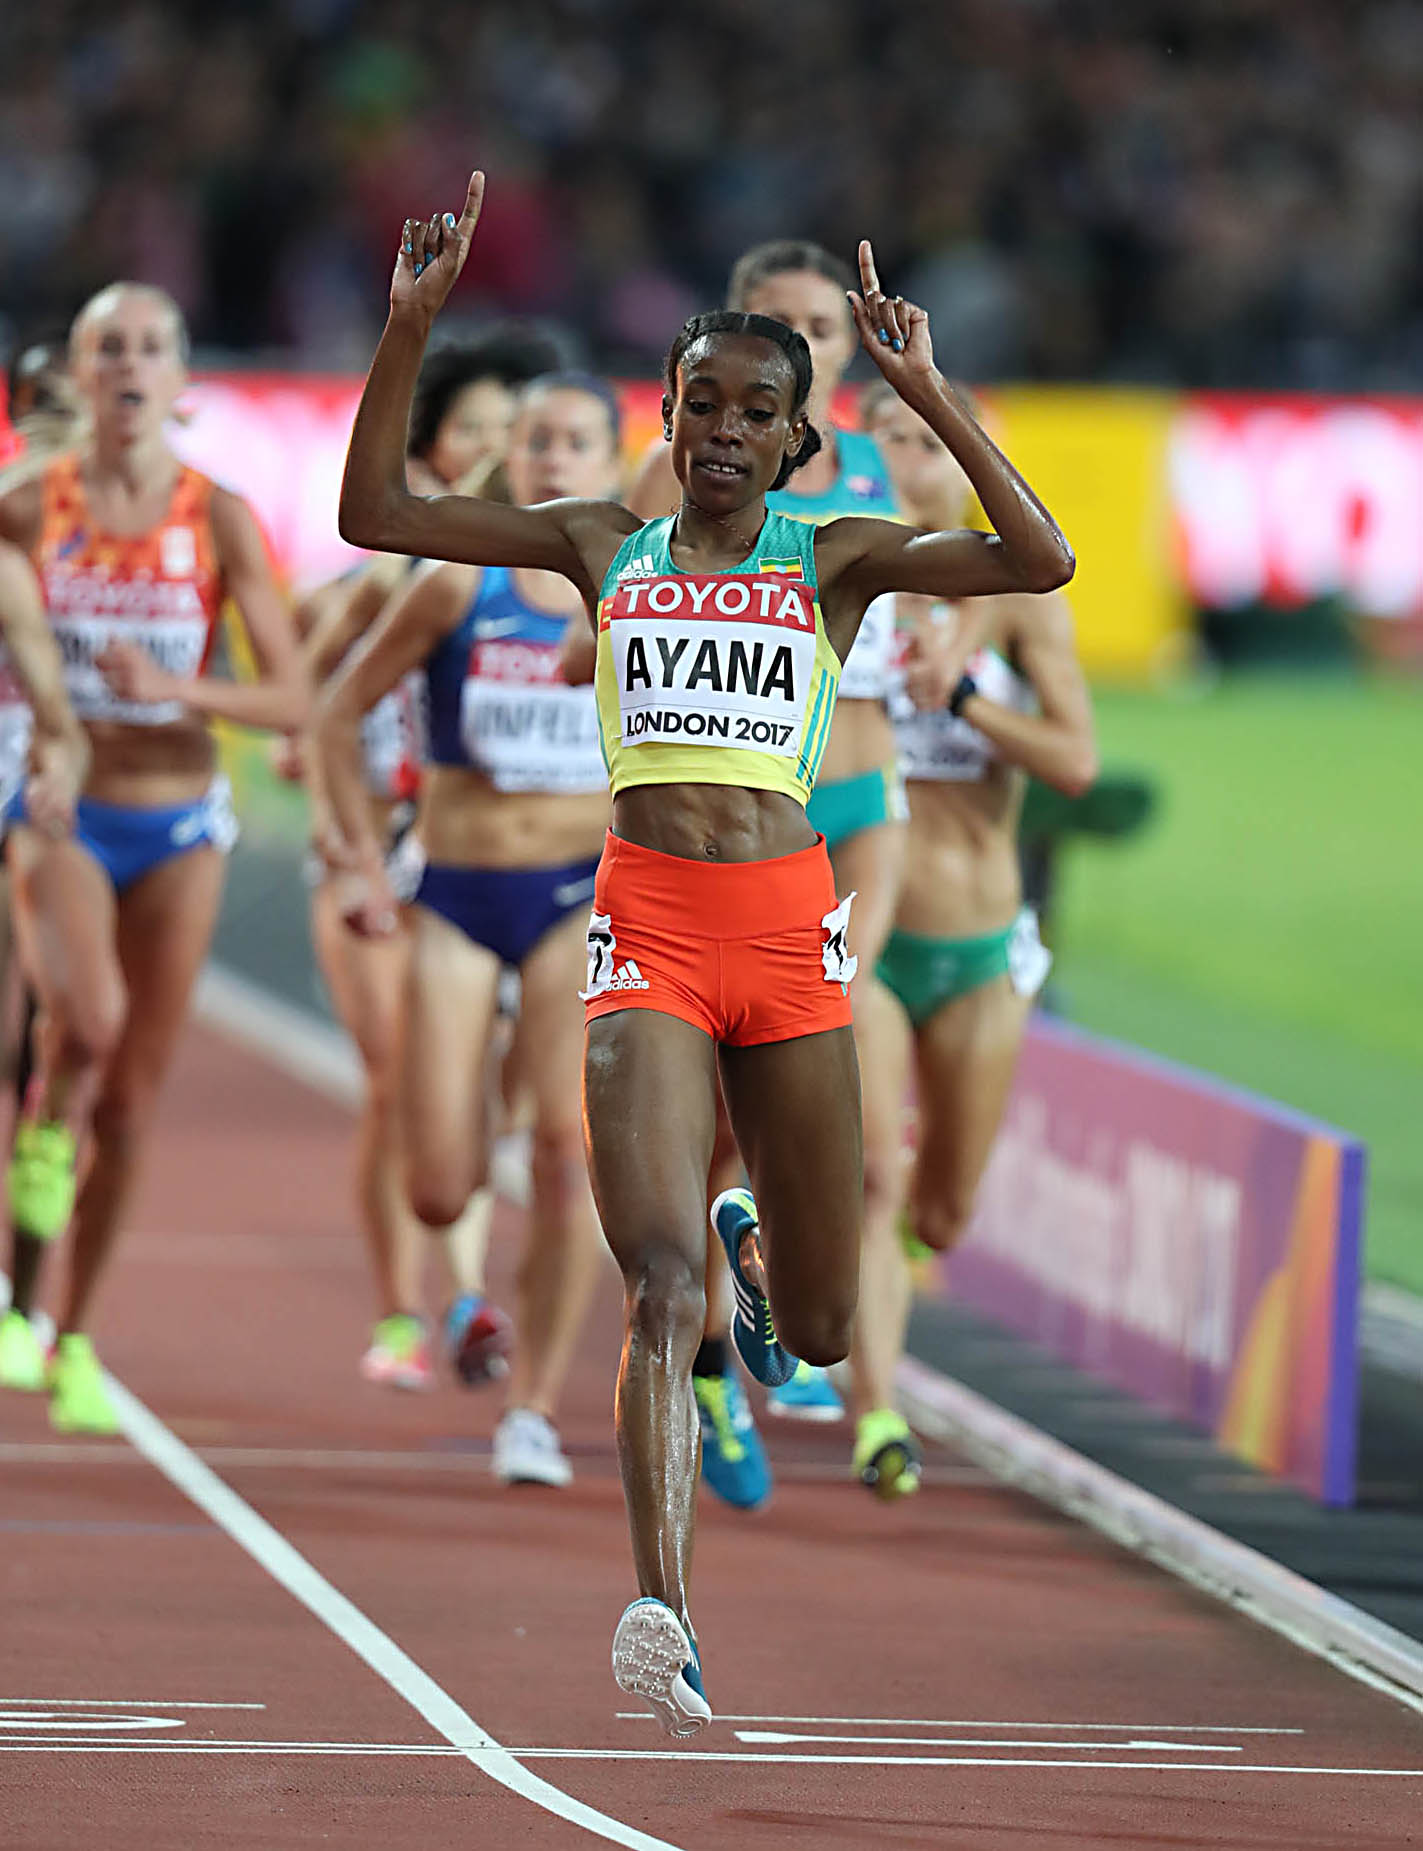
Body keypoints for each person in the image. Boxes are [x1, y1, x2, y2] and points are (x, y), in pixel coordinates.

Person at [337, 171, 1073, 1734]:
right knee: (655, 1285)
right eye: (701, 403)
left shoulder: (837, 552)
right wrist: (408, 330)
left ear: (797, 438)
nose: (724, 429)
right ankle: (660, 1609)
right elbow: (376, 516)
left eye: (756, 411)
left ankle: (761, 1261)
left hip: (789, 934)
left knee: (816, 1328)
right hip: (647, 929)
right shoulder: (597, 538)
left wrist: (928, 392)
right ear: (665, 416)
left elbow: (1038, 558)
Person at [626, 240, 929, 1500]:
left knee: (846, 1098)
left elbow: (994, 570)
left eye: (820, 322)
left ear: (839, 355)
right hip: (723, 803)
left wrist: (956, 653)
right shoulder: (689, 463)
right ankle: (713, 1355)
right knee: (701, 1112)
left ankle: (800, 1313)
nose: (802, 331)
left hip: (857, 793)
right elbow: (625, 587)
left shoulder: (888, 462)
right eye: (775, 314)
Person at [0, 282, 305, 1432]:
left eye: (149, 350)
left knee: (129, 1108)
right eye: (108, 349)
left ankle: (71, 1335)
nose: (128, 366)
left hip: (178, 821)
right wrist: (42, 733)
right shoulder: (26, 508)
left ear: (181, 383)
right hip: (64, 811)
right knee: (86, 1023)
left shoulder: (217, 516)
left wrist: (181, 688)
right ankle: (36, 1172)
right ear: (79, 377)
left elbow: (292, 699)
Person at [317, 371, 620, 1484]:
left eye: (574, 442)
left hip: (574, 897)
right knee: (440, 1185)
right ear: (510, 459)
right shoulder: (457, 585)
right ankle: (461, 1238)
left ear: (611, 462)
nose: (551, 459)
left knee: (563, 1156)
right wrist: (360, 859)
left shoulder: (637, 589)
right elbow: (336, 708)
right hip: (454, 891)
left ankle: (531, 1409)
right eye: (535, 440)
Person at [290, 332, 556, 1391]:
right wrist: (341, 831)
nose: (497, 445)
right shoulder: (400, 574)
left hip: (486, 861)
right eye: (475, 428)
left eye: (512, 428)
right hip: (380, 861)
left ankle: (461, 1286)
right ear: (438, 449)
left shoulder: (561, 577)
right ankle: (415, 1307)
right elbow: (310, 704)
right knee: (396, 1080)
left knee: (496, 1097)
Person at [849, 383, 1098, 1496]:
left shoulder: (1018, 603)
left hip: (979, 942)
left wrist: (961, 704)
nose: (910, 462)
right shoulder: (841, 584)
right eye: (888, 441)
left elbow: (1074, 763)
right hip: (866, 934)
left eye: (930, 441)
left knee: (940, 1212)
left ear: (965, 460)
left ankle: (900, 1262)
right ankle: (877, 1415)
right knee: (874, 1175)